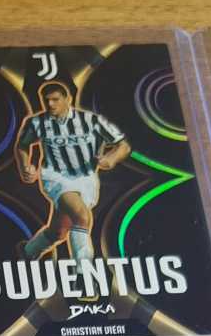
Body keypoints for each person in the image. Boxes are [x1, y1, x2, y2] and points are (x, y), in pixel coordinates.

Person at [15, 79, 129, 264]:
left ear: (68, 99)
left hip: (86, 178)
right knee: (81, 216)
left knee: (59, 231)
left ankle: (28, 252)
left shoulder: (92, 120)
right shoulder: (37, 122)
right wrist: (25, 167)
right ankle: (83, 270)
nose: (50, 104)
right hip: (56, 176)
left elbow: (123, 145)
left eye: (55, 99)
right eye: (46, 100)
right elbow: (22, 146)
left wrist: (111, 158)